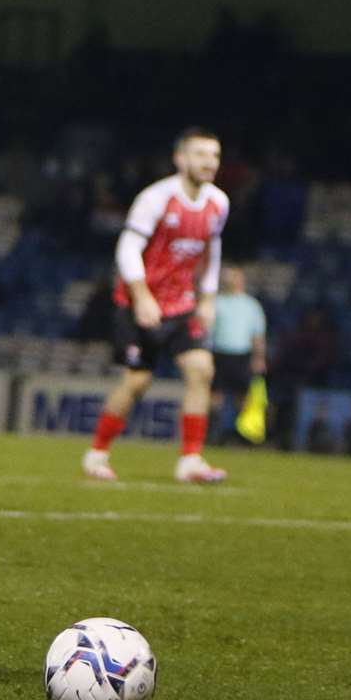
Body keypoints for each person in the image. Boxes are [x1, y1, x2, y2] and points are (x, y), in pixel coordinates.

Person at [80, 128, 230, 484]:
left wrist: (207, 299)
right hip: (140, 305)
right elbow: (128, 248)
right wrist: (142, 296)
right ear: (180, 159)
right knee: (137, 382)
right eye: (201, 154)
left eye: (215, 155)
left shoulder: (219, 202)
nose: (209, 162)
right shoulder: (156, 198)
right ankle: (97, 453)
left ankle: (190, 460)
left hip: (182, 305)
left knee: (201, 371)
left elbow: (211, 250)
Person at [207, 265, 266, 445]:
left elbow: (257, 335)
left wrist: (258, 357)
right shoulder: (216, 302)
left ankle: (241, 433)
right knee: (215, 395)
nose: (229, 280)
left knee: (243, 396)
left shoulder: (251, 305)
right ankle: (213, 432)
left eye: (234, 276)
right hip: (219, 352)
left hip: (241, 354)